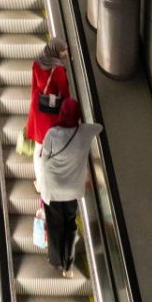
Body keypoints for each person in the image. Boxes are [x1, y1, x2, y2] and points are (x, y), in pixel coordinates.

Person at [35, 98, 100, 277]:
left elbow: (44, 158)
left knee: (56, 225)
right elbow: (100, 126)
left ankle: (55, 259)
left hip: (53, 190)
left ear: (62, 113)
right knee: (70, 225)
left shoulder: (53, 134)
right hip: (73, 191)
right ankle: (68, 263)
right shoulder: (85, 132)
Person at [23, 37, 70, 155]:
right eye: (63, 50)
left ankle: (40, 165)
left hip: (38, 103)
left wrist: (34, 101)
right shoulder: (58, 69)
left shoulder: (37, 62)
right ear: (55, 50)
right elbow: (65, 93)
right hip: (51, 110)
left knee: (39, 142)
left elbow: (34, 85)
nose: (66, 53)